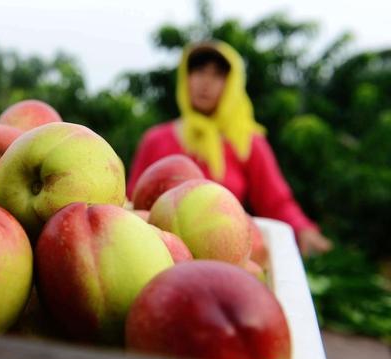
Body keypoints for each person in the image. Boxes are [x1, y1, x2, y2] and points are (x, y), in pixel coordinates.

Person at [127, 40, 332, 255]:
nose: (206, 82)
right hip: (159, 252)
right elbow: (133, 203)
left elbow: (275, 200)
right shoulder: (156, 139)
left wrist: (303, 229)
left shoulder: (247, 142)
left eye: (217, 75)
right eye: (198, 71)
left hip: (224, 254)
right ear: (185, 78)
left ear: (232, 83)